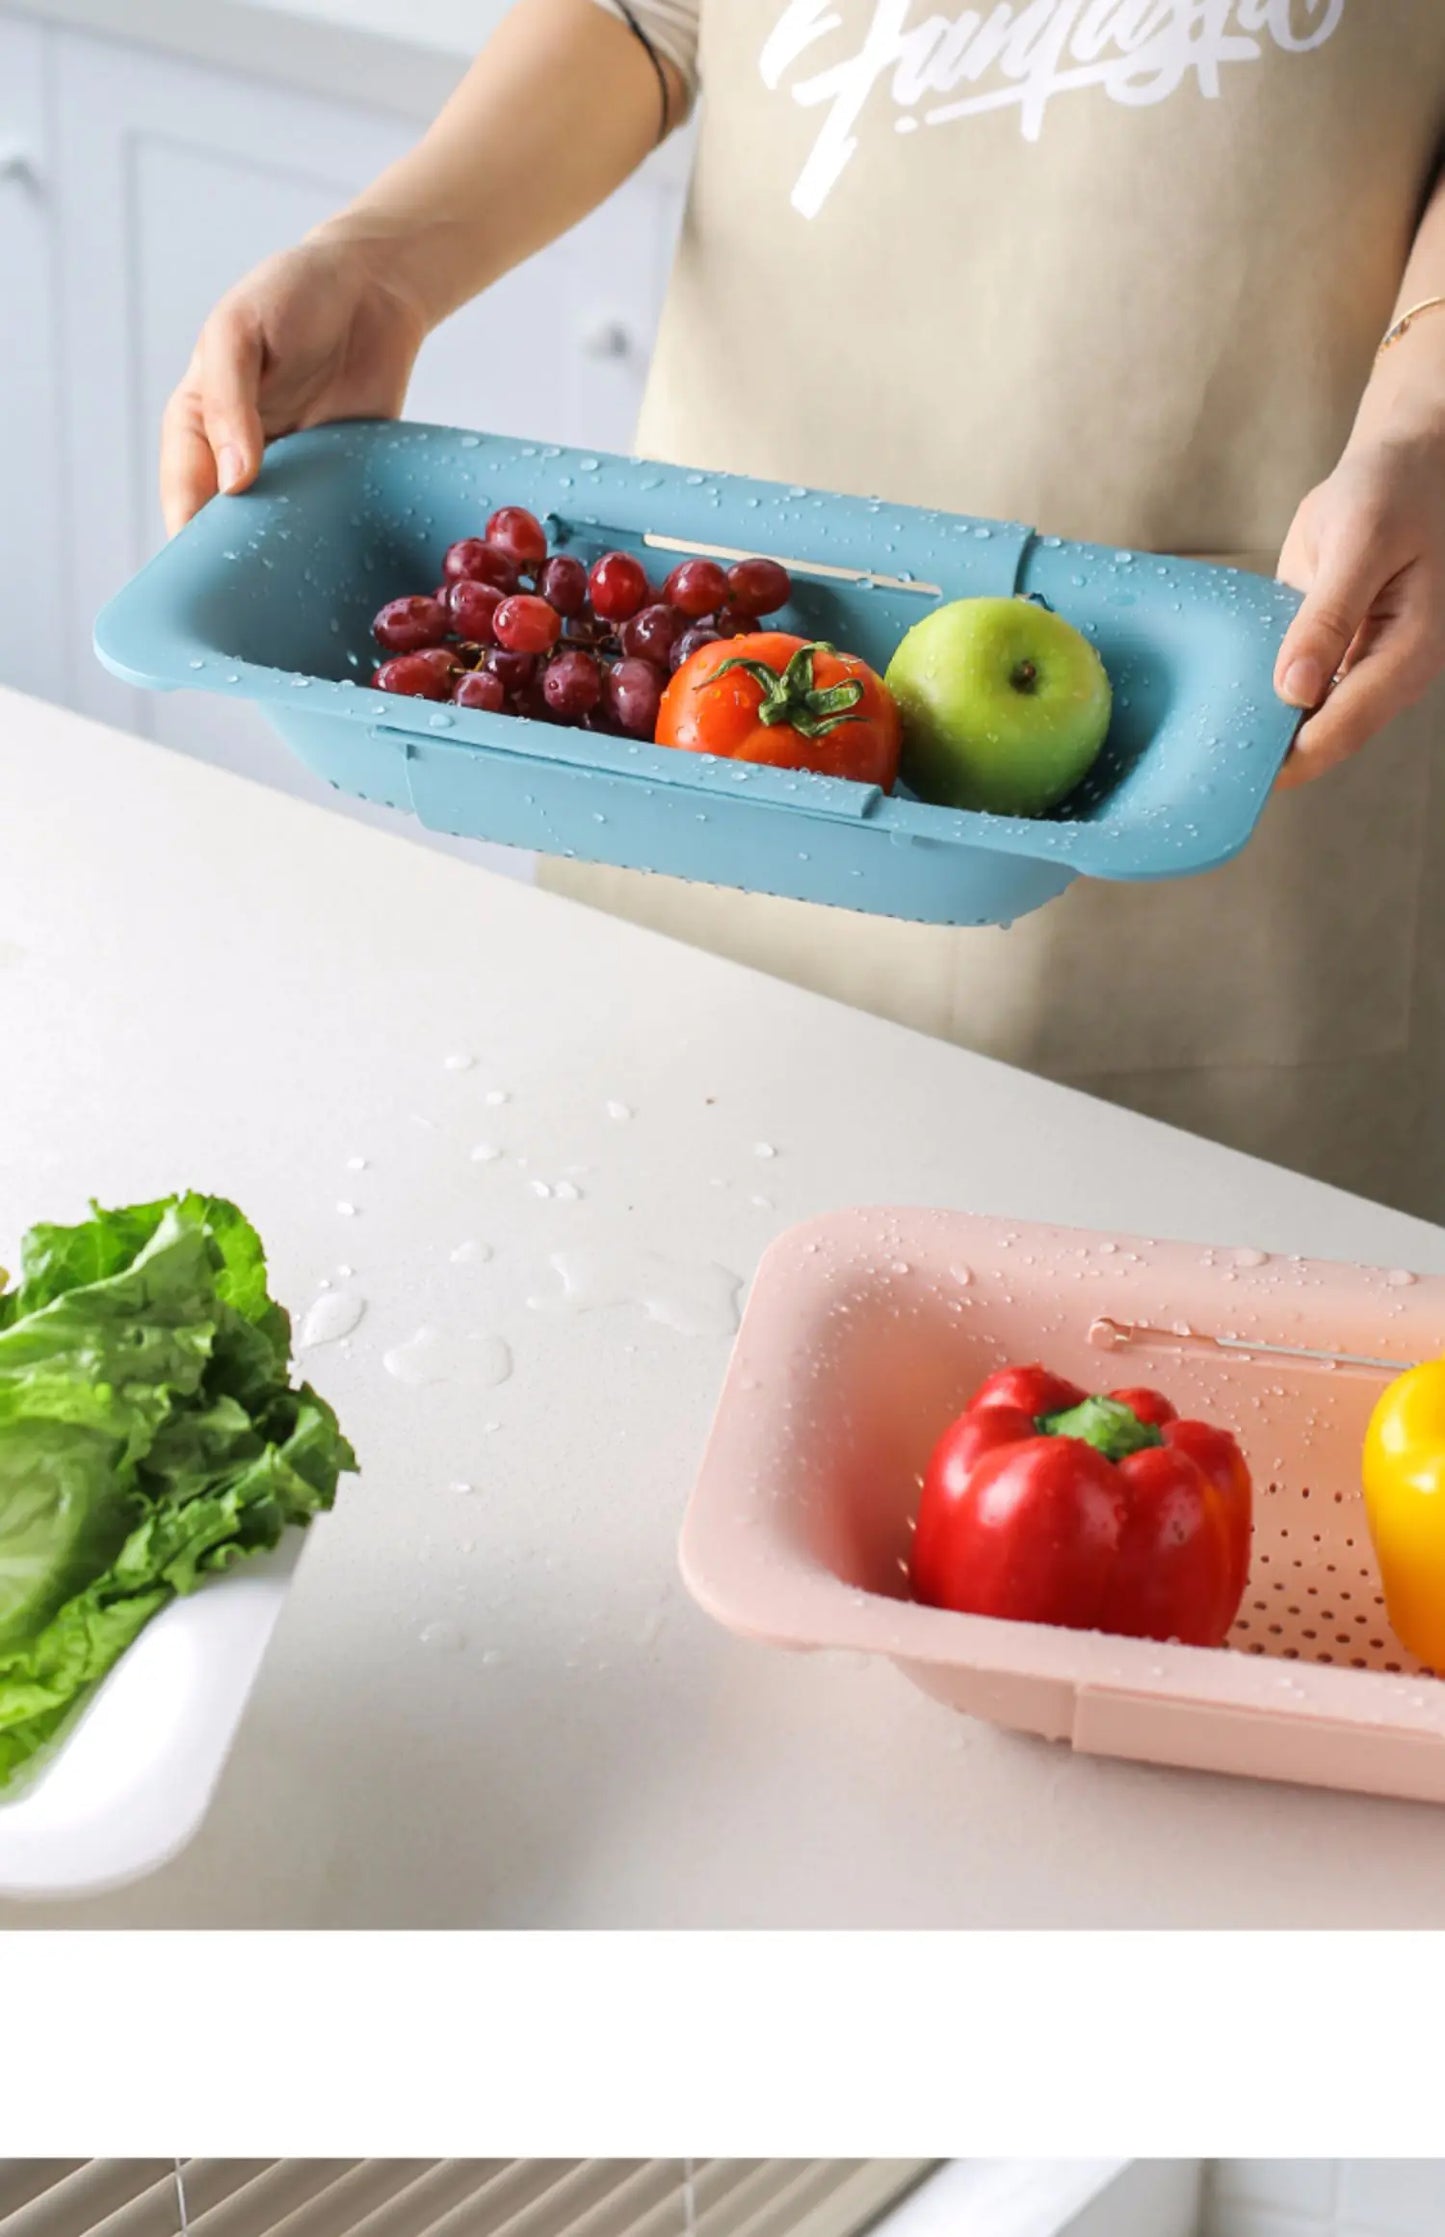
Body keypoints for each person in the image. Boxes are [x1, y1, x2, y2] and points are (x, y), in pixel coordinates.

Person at [162, 0, 1445, 1222]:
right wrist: (381, 265)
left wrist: (1426, 409)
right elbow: (644, 14)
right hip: (722, 661)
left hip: (1239, 660)